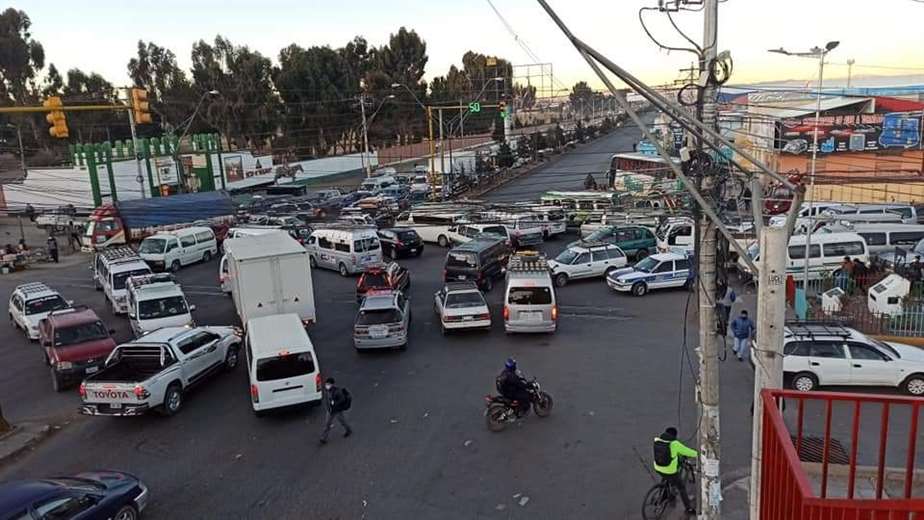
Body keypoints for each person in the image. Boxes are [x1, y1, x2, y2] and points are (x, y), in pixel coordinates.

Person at [653, 426, 698, 515]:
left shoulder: (657, 441)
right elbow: (689, 452)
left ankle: (663, 496)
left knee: (665, 477)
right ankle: (688, 509)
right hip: (670, 471)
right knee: (681, 488)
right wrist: (699, 453)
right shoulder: (675, 444)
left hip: (658, 467)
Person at [319, 377, 352, 445]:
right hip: (330, 410)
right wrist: (329, 406)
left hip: (337, 410)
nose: (327, 385)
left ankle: (348, 430)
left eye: (328, 384)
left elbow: (342, 399)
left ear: (332, 384)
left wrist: (334, 403)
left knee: (342, 421)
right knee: (327, 424)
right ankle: (323, 438)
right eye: (326, 384)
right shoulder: (327, 390)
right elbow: (327, 400)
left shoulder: (337, 391)